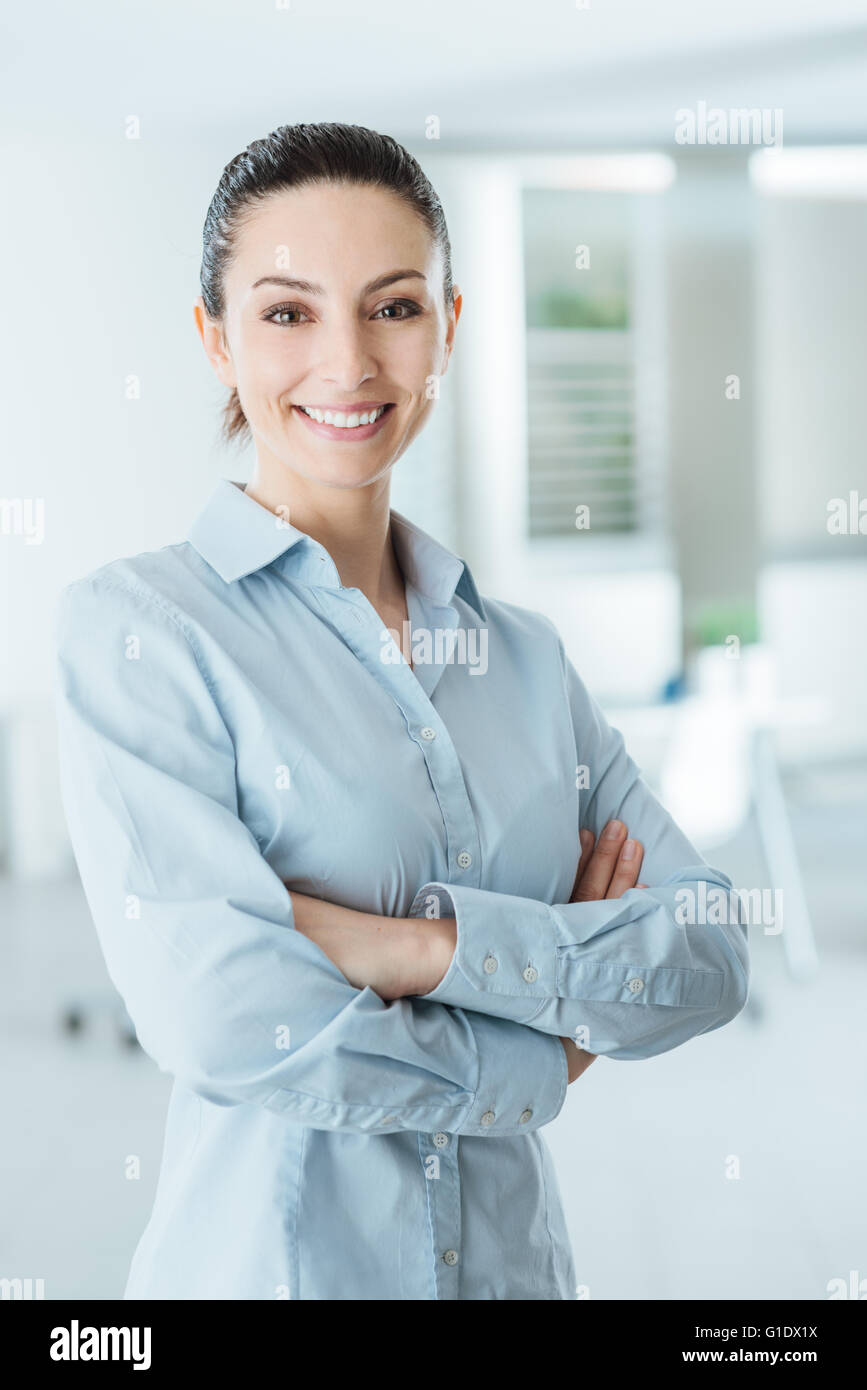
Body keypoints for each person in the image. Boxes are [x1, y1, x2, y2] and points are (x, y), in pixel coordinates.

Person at [53, 122, 749, 1301]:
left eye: (392, 307)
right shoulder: (141, 631)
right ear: (215, 341)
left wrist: (405, 947)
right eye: (286, 314)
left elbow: (709, 952)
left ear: (449, 330)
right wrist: (552, 1030)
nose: (349, 363)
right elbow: (225, 1014)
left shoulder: (524, 661)